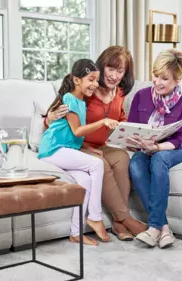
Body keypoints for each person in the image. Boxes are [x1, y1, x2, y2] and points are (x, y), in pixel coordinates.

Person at [45, 46, 147, 241]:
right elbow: (58, 119)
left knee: (122, 157)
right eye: (111, 69)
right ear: (102, 67)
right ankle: (125, 218)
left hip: (103, 144)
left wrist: (131, 134)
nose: (115, 76)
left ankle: (118, 222)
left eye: (120, 71)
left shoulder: (119, 93)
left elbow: (120, 118)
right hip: (80, 145)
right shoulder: (87, 88)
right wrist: (49, 117)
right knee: (103, 164)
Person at [38, 59, 119, 246]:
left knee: (85, 180)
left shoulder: (81, 103)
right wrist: (103, 121)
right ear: (76, 80)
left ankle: (75, 233)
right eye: (91, 79)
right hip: (53, 150)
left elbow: (71, 136)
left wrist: (87, 148)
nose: (95, 84)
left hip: (64, 149)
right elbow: (76, 131)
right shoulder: (69, 99)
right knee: (97, 164)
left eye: (97, 80)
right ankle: (95, 216)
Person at [127, 49, 182, 248]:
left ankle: (154, 227)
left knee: (160, 159)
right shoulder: (140, 96)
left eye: (164, 78)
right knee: (136, 164)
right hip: (146, 148)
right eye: (155, 75)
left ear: (178, 79)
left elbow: (178, 140)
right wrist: (137, 142)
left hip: (178, 149)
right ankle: (163, 227)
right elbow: (132, 129)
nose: (157, 82)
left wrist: (156, 147)